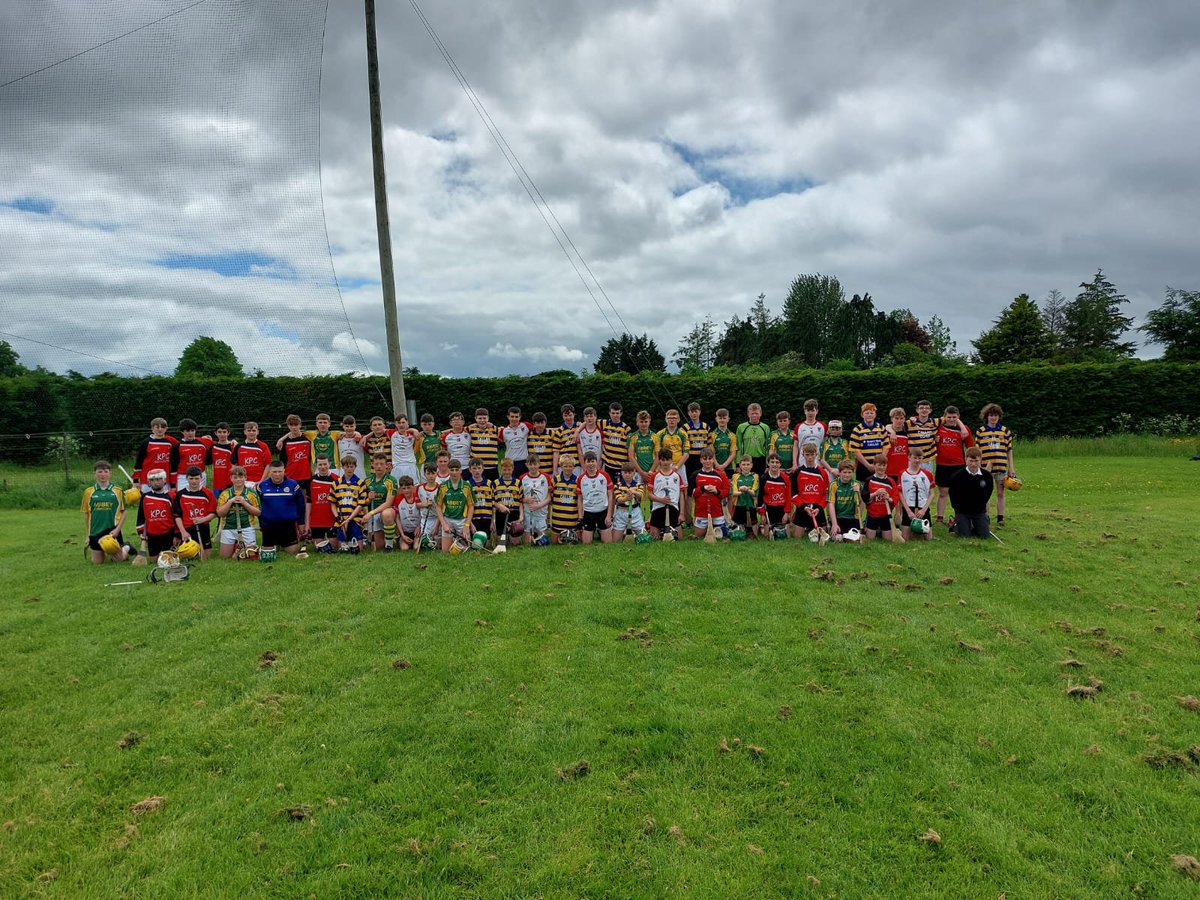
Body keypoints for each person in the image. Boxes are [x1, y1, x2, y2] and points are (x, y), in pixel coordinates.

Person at [83, 460, 130, 563]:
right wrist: (87, 536)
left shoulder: (118, 491)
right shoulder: (88, 492)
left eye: (105, 471)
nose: (103, 474)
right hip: (95, 531)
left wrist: (117, 529)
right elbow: (86, 514)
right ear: (94, 474)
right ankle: (103, 550)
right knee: (97, 562)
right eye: (100, 472)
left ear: (110, 473)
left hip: (112, 531)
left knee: (119, 560)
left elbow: (124, 511)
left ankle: (126, 547)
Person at [977, 403, 1016, 525]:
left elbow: (1009, 450)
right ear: (986, 416)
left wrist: (1011, 467)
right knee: (986, 493)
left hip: (1001, 466)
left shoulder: (1005, 431)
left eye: (995, 415)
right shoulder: (980, 431)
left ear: (999, 417)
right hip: (986, 467)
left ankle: (1000, 517)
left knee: (1000, 492)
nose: (993, 418)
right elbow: (978, 451)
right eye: (991, 415)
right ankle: (986, 517)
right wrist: (979, 466)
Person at [934, 406, 974, 525]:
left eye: (954, 417)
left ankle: (958, 517)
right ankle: (939, 518)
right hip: (942, 465)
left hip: (958, 465)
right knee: (943, 493)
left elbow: (970, 447)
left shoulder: (964, 429)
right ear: (944, 417)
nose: (951, 419)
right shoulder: (938, 427)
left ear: (958, 417)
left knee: (957, 492)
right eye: (949, 417)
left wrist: (973, 463)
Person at [257, 460, 305, 554]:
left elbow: (301, 505)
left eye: (280, 471)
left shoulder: (293, 485)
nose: (277, 474)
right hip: (269, 525)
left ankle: (282, 544)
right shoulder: (262, 486)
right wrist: (261, 523)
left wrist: (301, 523)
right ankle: (275, 544)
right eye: (274, 472)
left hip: (288, 524)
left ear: (284, 471)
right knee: (268, 552)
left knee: (292, 551)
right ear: (270, 472)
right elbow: (258, 508)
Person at [173, 465, 217, 559]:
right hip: (187, 529)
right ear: (186, 478)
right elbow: (177, 516)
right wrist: (183, 532)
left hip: (203, 527)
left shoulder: (208, 493)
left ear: (201, 478)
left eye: (197, 478)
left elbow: (213, 513)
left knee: (206, 557)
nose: (194, 481)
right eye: (191, 478)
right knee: (188, 556)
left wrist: (202, 519)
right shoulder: (180, 494)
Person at [216, 465, 261, 558]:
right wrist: (230, 502)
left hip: (247, 526)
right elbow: (220, 513)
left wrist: (245, 503)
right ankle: (236, 547)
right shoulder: (225, 494)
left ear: (245, 478)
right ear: (231, 478)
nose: (238, 480)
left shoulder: (251, 493)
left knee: (251, 555)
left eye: (241, 477)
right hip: (228, 527)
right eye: (235, 477)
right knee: (224, 557)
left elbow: (258, 513)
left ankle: (240, 547)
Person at [949, 447, 994, 538]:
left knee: (984, 536)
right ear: (966, 459)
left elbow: (988, 493)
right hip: (962, 511)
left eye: (976, 461)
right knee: (964, 535)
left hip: (979, 511)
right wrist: (959, 511)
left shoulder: (987, 476)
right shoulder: (957, 476)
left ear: (980, 460)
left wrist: (980, 507)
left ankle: (976, 525)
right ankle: (956, 525)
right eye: (971, 461)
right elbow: (953, 495)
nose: (973, 464)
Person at [654, 408, 689, 522]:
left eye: (674, 418)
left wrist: (677, 467)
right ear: (665, 419)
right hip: (664, 465)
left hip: (679, 465)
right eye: (669, 418)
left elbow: (686, 453)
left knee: (683, 491)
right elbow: (658, 453)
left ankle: (684, 518)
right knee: (662, 489)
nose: (672, 420)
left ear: (678, 419)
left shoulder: (683, 434)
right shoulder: (660, 434)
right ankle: (660, 516)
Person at [137, 468, 177, 563]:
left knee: (166, 560)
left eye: (159, 479)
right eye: (153, 480)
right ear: (149, 482)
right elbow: (141, 516)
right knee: (154, 560)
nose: (156, 482)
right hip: (152, 535)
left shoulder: (172, 496)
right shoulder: (145, 497)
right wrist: (141, 532)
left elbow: (177, 517)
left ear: (164, 480)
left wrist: (177, 534)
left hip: (168, 533)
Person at [791, 443, 830, 538]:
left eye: (812, 454)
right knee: (797, 537)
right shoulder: (798, 472)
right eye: (807, 454)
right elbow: (793, 493)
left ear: (816, 455)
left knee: (823, 536)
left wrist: (819, 508)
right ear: (802, 454)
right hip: (803, 507)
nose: (810, 457)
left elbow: (826, 494)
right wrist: (804, 507)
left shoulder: (823, 472)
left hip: (817, 508)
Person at [362, 452, 399, 550]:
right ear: (372, 465)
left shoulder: (391, 480)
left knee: (387, 514)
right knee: (377, 546)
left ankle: (389, 545)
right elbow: (364, 502)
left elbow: (388, 503)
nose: (379, 466)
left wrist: (371, 513)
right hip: (372, 513)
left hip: (384, 512)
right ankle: (381, 537)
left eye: (382, 464)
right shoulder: (367, 480)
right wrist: (369, 499)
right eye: (376, 464)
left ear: (386, 465)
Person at [691, 448, 730, 541]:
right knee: (699, 535)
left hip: (717, 511)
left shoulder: (721, 474)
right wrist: (702, 488)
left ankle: (726, 525)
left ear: (713, 460)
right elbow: (693, 494)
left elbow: (726, 491)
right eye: (705, 459)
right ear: (701, 460)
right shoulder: (695, 474)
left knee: (720, 535)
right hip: (701, 511)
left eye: (710, 458)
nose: (707, 461)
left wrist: (717, 491)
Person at [436, 460, 475, 550]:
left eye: (456, 470)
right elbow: (438, 507)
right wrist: (444, 524)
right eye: (452, 470)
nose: (454, 472)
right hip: (448, 520)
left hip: (462, 521)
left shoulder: (467, 486)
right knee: (446, 551)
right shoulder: (442, 487)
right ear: (448, 471)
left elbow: (471, 507)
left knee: (465, 551)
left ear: (461, 470)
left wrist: (467, 525)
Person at [331, 455, 367, 549]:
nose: (349, 469)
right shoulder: (335, 484)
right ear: (342, 467)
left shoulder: (361, 484)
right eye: (347, 466)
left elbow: (360, 505)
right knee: (342, 549)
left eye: (352, 466)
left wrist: (349, 519)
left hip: (355, 519)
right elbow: (332, 503)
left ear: (355, 467)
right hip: (341, 520)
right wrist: (338, 518)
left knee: (358, 549)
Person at [899, 447, 934, 541]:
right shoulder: (902, 474)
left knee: (929, 538)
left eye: (920, 458)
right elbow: (900, 493)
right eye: (915, 458)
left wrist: (923, 510)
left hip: (923, 508)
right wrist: (908, 511)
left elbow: (932, 493)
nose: (917, 460)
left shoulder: (927, 474)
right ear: (909, 457)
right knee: (905, 538)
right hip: (909, 508)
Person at [648, 448, 684, 540]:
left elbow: (682, 496)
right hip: (658, 508)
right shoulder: (654, 476)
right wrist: (661, 500)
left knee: (678, 538)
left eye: (667, 460)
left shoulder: (677, 476)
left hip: (673, 508)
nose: (665, 463)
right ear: (659, 460)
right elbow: (650, 495)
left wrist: (682, 513)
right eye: (663, 460)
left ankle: (668, 531)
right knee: (654, 538)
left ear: (671, 460)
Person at [861, 455, 899, 541]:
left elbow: (896, 497)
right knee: (870, 539)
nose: (881, 468)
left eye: (884, 465)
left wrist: (888, 498)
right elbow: (865, 498)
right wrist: (875, 493)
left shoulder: (890, 481)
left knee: (887, 540)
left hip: (886, 515)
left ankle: (881, 530)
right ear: (874, 465)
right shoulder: (869, 480)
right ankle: (874, 529)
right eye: (879, 465)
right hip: (872, 515)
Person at [578, 452, 613, 544]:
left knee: (607, 542)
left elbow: (610, 495)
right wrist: (580, 516)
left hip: (603, 512)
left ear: (597, 462)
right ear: (584, 463)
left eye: (593, 461)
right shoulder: (581, 478)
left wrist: (609, 515)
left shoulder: (605, 476)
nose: (591, 464)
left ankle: (600, 530)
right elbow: (580, 498)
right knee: (586, 543)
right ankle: (593, 531)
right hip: (589, 513)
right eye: (588, 462)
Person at [133, 417, 178, 489]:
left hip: (165, 480)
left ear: (166, 429)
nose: (160, 429)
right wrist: (135, 480)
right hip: (148, 480)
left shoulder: (171, 441)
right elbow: (139, 462)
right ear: (152, 428)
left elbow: (185, 442)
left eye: (163, 427)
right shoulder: (146, 442)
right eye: (157, 427)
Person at [307, 455, 340, 549]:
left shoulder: (337, 480)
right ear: (316, 465)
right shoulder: (311, 480)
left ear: (329, 464)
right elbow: (309, 502)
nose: (323, 467)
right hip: (317, 521)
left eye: (325, 464)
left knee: (334, 547)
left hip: (332, 520)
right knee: (319, 548)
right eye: (320, 464)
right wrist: (307, 523)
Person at [849, 403, 888, 483]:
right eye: (867, 413)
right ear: (862, 415)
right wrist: (868, 465)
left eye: (871, 413)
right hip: (864, 464)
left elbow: (886, 446)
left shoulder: (881, 428)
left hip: (879, 464)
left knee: (879, 486)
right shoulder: (857, 430)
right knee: (863, 488)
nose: (869, 415)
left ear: (875, 414)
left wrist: (880, 462)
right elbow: (856, 450)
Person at [826, 459, 863, 542]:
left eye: (849, 472)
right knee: (837, 538)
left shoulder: (857, 484)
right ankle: (833, 529)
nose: (847, 475)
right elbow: (831, 504)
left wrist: (858, 493)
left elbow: (861, 503)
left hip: (852, 518)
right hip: (838, 517)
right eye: (844, 472)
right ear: (839, 473)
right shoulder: (833, 485)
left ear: (853, 473)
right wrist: (834, 524)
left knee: (852, 539)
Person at [549, 452, 582, 543]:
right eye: (565, 466)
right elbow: (550, 496)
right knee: (555, 543)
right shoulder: (555, 480)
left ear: (574, 467)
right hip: (557, 521)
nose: (568, 469)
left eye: (570, 466)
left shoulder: (577, 480)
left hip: (572, 521)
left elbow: (580, 500)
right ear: (561, 466)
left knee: (577, 541)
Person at [520, 453, 552, 544]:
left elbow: (549, 497)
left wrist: (538, 506)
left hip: (541, 512)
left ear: (539, 464)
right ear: (526, 465)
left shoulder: (546, 477)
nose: (533, 467)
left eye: (535, 464)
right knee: (527, 542)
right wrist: (525, 500)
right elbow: (519, 498)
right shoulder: (522, 478)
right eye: (530, 464)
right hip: (528, 513)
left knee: (542, 541)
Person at [277, 414, 313, 493]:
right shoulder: (285, 442)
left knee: (304, 498)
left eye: (296, 425)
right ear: (288, 426)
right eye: (291, 425)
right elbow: (282, 460)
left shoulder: (307, 439)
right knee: (290, 497)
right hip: (290, 475)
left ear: (300, 425)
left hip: (305, 474)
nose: (294, 427)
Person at [609, 461, 645, 541]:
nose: (627, 475)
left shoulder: (639, 485)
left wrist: (634, 492)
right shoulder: (617, 486)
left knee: (643, 539)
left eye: (630, 472)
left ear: (634, 472)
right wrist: (627, 498)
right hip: (621, 512)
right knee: (615, 541)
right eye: (625, 472)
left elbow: (641, 496)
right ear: (622, 473)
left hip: (635, 512)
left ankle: (632, 533)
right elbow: (618, 499)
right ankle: (626, 533)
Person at [760, 453, 792, 538]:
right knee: (767, 535)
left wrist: (786, 513)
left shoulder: (785, 478)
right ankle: (762, 528)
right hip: (769, 509)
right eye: (772, 462)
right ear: (768, 463)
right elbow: (760, 498)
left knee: (786, 536)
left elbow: (788, 497)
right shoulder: (763, 478)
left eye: (777, 462)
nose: (774, 464)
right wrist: (762, 514)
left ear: (780, 464)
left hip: (781, 509)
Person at [736, 403, 771, 479]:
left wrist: (768, 465)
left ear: (760, 414)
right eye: (752, 413)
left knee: (761, 484)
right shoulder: (741, 427)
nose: (754, 415)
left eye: (756, 413)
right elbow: (738, 446)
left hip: (761, 461)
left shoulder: (765, 428)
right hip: (746, 461)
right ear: (748, 414)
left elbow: (768, 448)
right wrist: (738, 464)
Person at [174, 419, 212, 490]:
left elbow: (220, 444)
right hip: (183, 477)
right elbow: (174, 464)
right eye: (188, 431)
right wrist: (173, 484)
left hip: (200, 476)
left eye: (192, 431)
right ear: (182, 432)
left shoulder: (203, 443)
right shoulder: (178, 446)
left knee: (199, 498)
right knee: (183, 499)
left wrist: (233, 442)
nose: (190, 433)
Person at [681, 401, 711, 490]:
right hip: (690, 459)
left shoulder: (706, 427)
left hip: (703, 458)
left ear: (699, 412)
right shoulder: (684, 428)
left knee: (703, 481)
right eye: (692, 411)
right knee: (690, 483)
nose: (694, 413)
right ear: (688, 413)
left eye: (696, 411)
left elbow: (709, 444)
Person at [728, 455, 760, 537]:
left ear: (752, 465)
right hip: (739, 504)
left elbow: (755, 493)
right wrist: (741, 490)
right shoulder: (735, 476)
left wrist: (747, 490)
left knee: (753, 521)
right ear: (740, 465)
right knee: (738, 523)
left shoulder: (755, 476)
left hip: (751, 503)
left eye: (748, 464)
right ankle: (738, 532)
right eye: (743, 464)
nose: (746, 467)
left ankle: (754, 534)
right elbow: (734, 492)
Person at [492, 457, 521, 539]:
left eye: (509, 470)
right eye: (504, 470)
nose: (507, 472)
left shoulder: (518, 482)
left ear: (513, 468)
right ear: (501, 469)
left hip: (514, 513)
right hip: (501, 513)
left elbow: (521, 500)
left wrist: (521, 516)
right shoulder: (495, 483)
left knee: (515, 541)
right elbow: (491, 501)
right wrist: (499, 506)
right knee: (501, 540)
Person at [467, 457, 495, 542]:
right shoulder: (467, 485)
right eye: (474, 468)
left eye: (479, 468)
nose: (477, 471)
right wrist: (470, 524)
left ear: (483, 469)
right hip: (474, 519)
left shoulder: (489, 483)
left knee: (487, 544)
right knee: (476, 544)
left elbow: (493, 504)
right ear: (470, 470)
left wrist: (493, 521)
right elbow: (466, 507)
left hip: (487, 518)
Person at [233, 421, 271, 486]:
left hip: (259, 482)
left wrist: (262, 481)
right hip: (243, 482)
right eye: (249, 430)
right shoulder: (239, 447)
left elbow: (268, 465)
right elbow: (234, 465)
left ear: (257, 432)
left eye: (253, 430)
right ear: (245, 432)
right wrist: (238, 480)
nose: (251, 433)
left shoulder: (263, 446)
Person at [468, 408, 500, 481]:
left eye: (484, 418)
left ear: (488, 418)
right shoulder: (471, 429)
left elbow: (508, 430)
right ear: (475, 419)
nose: (482, 420)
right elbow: (457, 429)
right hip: (477, 468)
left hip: (492, 467)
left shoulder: (495, 429)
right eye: (479, 418)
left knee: (493, 489)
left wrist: (492, 425)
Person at [601, 402, 630, 480]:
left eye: (617, 413)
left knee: (620, 490)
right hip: (608, 466)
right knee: (609, 489)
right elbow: (590, 421)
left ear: (621, 413)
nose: (615, 415)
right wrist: (578, 430)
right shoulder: (604, 424)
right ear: (609, 413)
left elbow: (630, 450)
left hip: (621, 467)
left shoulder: (626, 429)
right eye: (613, 413)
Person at [500, 407, 532, 479]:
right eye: (512, 416)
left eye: (516, 417)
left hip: (524, 462)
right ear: (508, 417)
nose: (514, 419)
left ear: (520, 417)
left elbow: (540, 429)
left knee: (524, 485)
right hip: (510, 463)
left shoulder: (526, 426)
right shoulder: (503, 431)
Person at [390, 413, 420, 484]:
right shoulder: (392, 433)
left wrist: (414, 430)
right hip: (397, 466)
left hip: (410, 465)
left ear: (407, 423)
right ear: (396, 424)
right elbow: (378, 430)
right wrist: (365, 437)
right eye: (399, 423)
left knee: (413, 488)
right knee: (398, 489)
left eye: (403, 422)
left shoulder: (413, 435)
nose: (401, 425)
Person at [392, 476, 421, 551]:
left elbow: (422, 514)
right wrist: (402, 535)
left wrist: (419, 526)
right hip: (404, 532)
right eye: (404, 488)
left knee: (416, 547)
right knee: (404, 549)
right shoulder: (398, 499)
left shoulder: (418, 497)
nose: (406, 490)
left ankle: (416, 540)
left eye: (409, 487)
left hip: (416, 531)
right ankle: (400, 539)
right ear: (400, 489)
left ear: (413, 487)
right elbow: (397, 518)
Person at [415, 463, 441, 547]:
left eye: (433, 473)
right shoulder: (419, 488)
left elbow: (443, 509)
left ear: (437, 473)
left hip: (438, 519)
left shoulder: (441, 488)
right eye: (428, 474)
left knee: (438, 546)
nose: (431, 476)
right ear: (424, 474)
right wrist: (425, 504)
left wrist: (437, 526)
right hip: (425, 520)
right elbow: (417, 505)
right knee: (419, 546)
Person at [629, 410, 657, 485]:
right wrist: (641, 472)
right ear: (637, 422)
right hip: (637, 472)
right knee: (638, 495)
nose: (644, 424)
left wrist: (650, 472)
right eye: (641, 422)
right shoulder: (632, 437)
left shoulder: (655, 436)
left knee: (651, 495)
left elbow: (658, 456)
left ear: (649, 422)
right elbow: (631, 456)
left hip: (652, 472)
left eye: (646, 421)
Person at [552, 404, 581, 477]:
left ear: (574, 414)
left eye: (570, 415)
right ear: (562, 416)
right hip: (563, 466)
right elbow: (556, 452)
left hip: (576, 465)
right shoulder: (559, 432)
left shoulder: (579, 428)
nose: (568, 418)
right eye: (565, 415)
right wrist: (555, 470)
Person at [210, 422, 238, 493]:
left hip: (231, 481)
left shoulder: (233, 446)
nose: (222, 434)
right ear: (215, 433)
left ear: (228, 433)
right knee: (218, 503)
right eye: (219, 432)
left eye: (224, 432)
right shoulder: (213, 447)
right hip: (217, 482)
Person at [883, 408, 910, 480]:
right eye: (896, 418)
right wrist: (892, 432)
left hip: (904, 471)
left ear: (904, 419)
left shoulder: (907, 432)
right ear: (891, 419)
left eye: (901, 418)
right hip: (888, 471)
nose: (899, 421)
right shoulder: (885, 433)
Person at [527, 413, 555, 479]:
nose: (540, 425)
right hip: (533, 472)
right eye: (537, 423)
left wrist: (554, 471)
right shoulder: (528, 434)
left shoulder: (551, 434)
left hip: (548, 472)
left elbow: (555, 453)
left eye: (542, 423)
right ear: (533, 424)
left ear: (545, 423)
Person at [770, 410, 796, 475]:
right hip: (778, 468)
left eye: (785, 420)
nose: (782, 423)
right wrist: (773, 465)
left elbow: (796, 450)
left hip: (792, 467)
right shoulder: (773, 434)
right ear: (777, 422)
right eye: (780, 421)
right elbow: (771, 451)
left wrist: (795, 465)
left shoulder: (794, 434)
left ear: (789, 421)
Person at [711, 408, 737, 474]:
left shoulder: (732, 435)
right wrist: (717, 465)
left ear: (728, 419)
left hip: (729, 467)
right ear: (716, 419)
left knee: (729, 484)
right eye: (720, 418)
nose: (722, 420)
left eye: (724, 418)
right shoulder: (711, 435)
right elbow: (711, 452)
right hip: (715, 467)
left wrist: (724, 465)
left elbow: (733, 453)